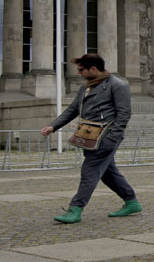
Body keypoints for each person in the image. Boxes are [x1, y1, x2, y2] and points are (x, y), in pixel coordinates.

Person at [42, 54, 141, 224]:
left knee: (89, 171)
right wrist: (53, 126)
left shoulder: (118, 85)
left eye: (81, 69)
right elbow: (72, 110)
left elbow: (124, 114)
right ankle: (131, 202)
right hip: (90, 136)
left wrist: (112, 138)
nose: (78, 73)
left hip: (106, 136)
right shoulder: (86, 87)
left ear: (93, 69)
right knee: (108, 173)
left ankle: (75, 209)